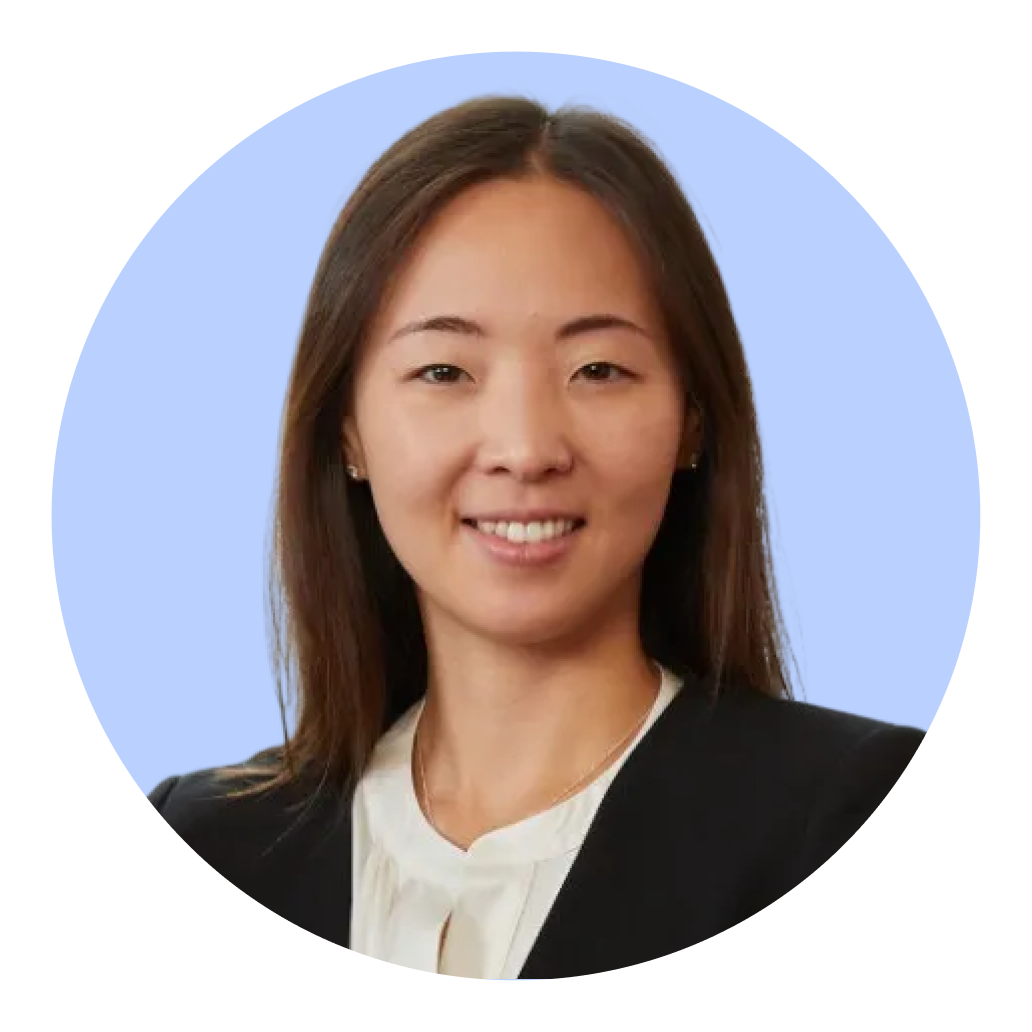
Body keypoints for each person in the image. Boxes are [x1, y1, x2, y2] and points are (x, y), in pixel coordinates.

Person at [149, 96, 924, 979]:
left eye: (598, 370)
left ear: (693, 420)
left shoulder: (855, 823)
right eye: (444, 370)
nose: (524, 449)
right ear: (348, 432)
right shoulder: (201, 848)